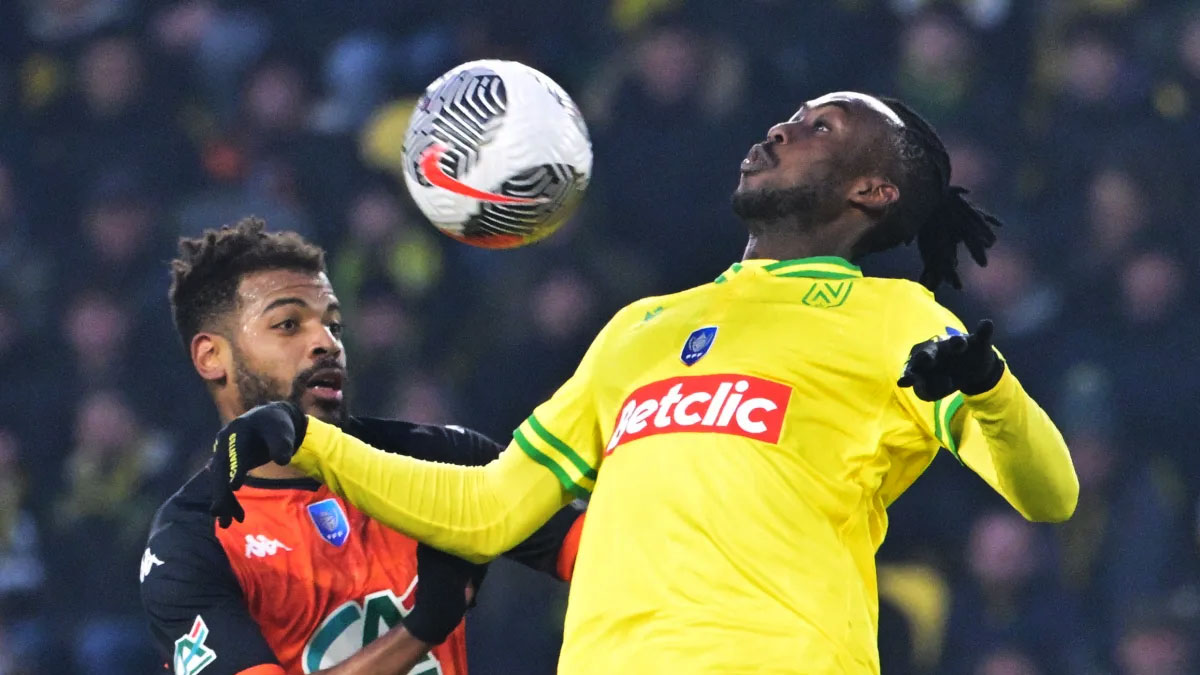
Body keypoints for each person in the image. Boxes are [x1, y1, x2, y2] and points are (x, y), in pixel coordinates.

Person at [207, 92, 1079, 673]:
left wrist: (989, 389)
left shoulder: (897, 319)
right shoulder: (641, 328)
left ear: (873, 189)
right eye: (788, 117)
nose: (782, 129)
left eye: (820, 128)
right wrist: (315, 445)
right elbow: (491, 508)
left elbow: (1050, 495)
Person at [140, 219, 585, 675]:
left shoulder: (442, 459)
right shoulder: (189, 541)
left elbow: (601, 550)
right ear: (212, 357)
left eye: (333, 324)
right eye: (288, 325)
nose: (326, 343)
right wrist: (425, 626)